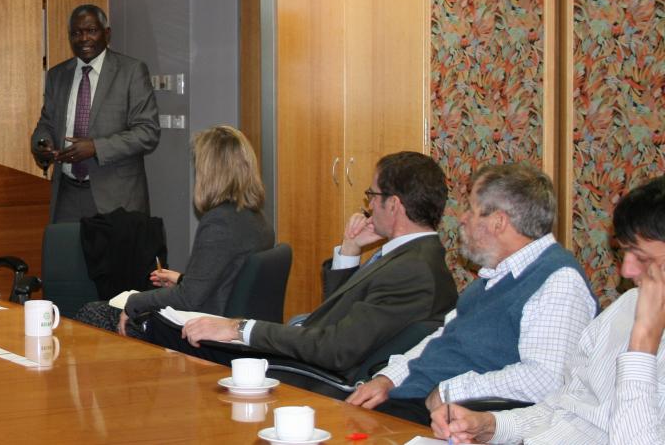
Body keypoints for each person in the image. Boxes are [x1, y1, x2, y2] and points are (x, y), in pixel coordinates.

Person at [155, 152, 458, 380]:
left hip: (311, 373)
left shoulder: (412, 271)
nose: (368, 205)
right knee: (173, 327)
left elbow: (337, 349)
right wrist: (350, 251)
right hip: (304, 346)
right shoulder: (412, 256)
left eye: (372, 195)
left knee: (166, 332)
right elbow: (343, 313)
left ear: (393, 205)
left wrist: (239, 328)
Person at [346, 163, 598, 425]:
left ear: (499, 221)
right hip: (411, 399)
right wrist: (390, 378)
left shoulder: (559, 281)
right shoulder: (493, 276)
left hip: (450, 418)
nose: (462, 218)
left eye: (472, 209)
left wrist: (452, 391)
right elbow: (444, 336)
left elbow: (546, 379)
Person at [431, 175, 665, 445]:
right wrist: (491, 426)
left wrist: (642, 348)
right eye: (625, 254)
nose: (627, 270)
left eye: (643, 257)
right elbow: (567, 407)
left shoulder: (636, 325)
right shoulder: (626, 306)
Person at [74, 126, 274, 339]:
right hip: (232, 326)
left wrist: (135, 303)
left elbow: (189, 300)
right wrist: (181, 280)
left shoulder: (219, 223)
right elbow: (226, 282)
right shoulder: (255, 218)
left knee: (92, 312)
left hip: (204, 331)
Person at [30, 4, 160, 223]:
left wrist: (96, 148)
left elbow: (148, 132)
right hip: (67, 195)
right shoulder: (57, 75)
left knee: (115, 259)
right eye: (76, 33)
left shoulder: (131, 71)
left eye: (91, 31)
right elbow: (47, 123)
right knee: (65, 257)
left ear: (107, 33)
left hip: (117, 197)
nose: (84, 38)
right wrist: (41, 144)